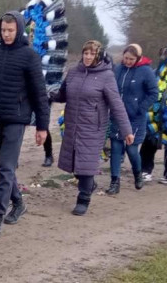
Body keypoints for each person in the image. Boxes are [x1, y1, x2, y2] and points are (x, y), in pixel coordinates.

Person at [0, 12, 50, 238]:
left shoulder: (29, 56)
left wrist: (42, 126)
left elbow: (39, 94)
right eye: (3, 30)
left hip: (16, 120)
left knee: (6, 168)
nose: (7, 34)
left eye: (10, 30)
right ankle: (18, 202)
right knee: (2, 167)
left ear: (18, 29)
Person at [50, 40, 133, 216]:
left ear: (99, 55)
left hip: (93, 127)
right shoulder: (73, 72)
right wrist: (48, 94)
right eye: (85, 53)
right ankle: (89, 185)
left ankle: (84, 198)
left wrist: (127, 130)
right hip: (72, 124)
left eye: (92, 54)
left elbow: (116, 104)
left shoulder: (106, 76)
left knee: (86, 165)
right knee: (74, 163)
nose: (88, 57)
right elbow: (62, 94)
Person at [107, 43, 158, 194]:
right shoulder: (118, 69)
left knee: (131, 149)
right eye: (126, 58)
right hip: (117, 115)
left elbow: (154, 93)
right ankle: (114, 182)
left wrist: (141, 108)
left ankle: (138, 174)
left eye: (131, 59)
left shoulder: (146, 71)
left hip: (135, 117)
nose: (128, 61)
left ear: (138, 58)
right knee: (116, 149)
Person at [139, 47, 167, 181]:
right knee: (148, 143)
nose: (164, 57)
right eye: (163, 54)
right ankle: (145, 170)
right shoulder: (154, 72)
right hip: (153, 113)